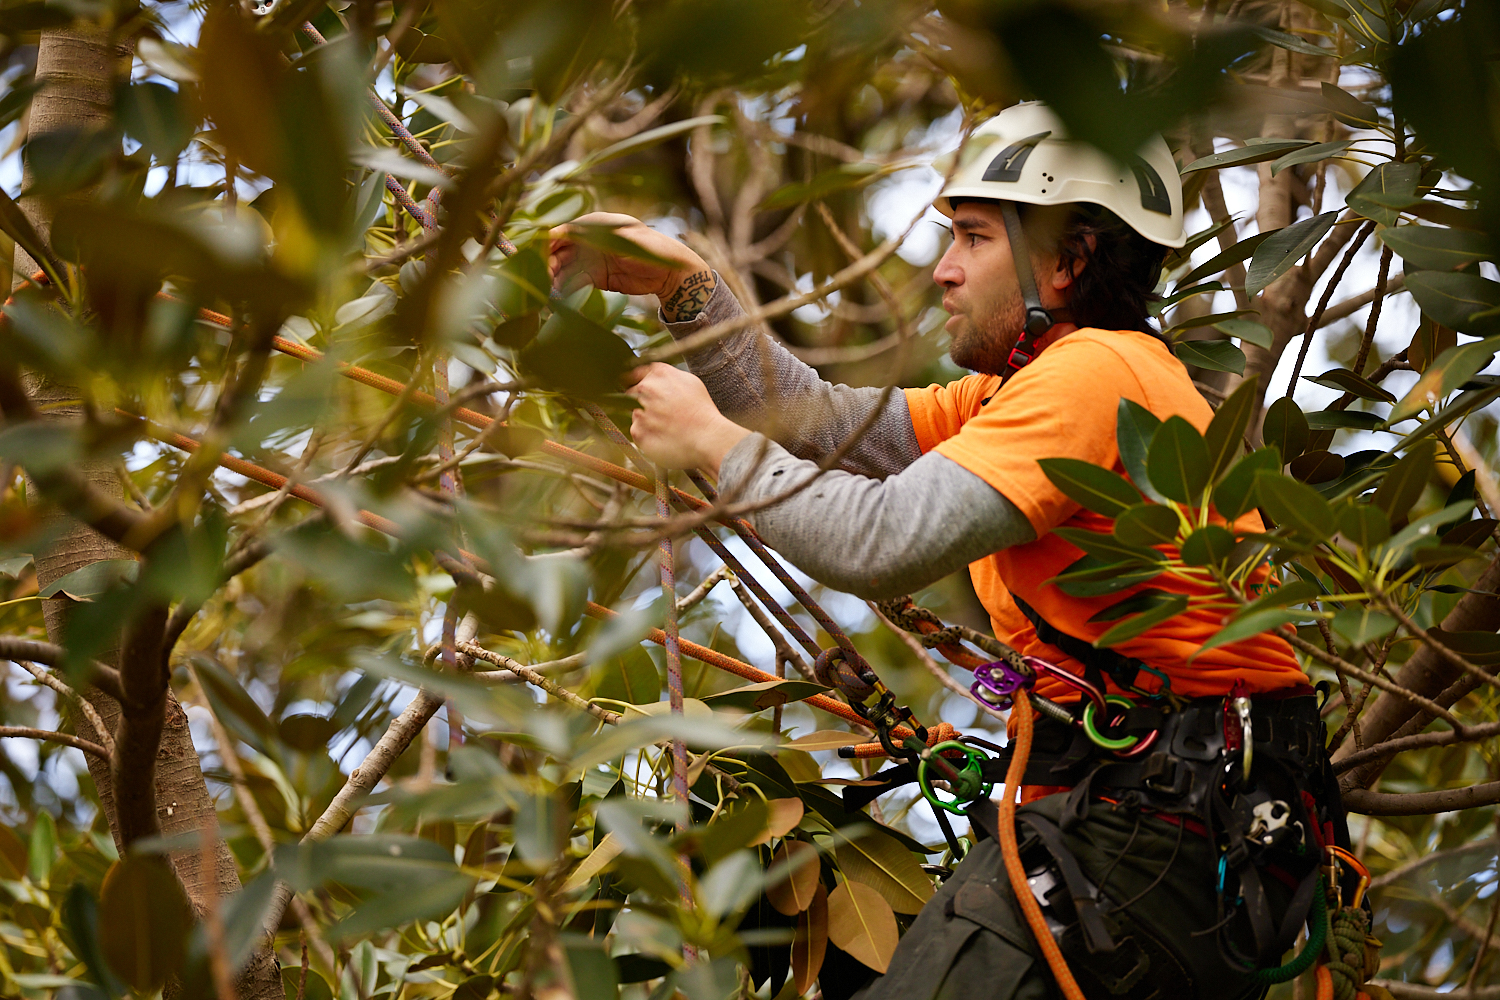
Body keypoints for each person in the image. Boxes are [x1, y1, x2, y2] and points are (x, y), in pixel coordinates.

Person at [550, 102, 1347, 1000]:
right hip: (1156, 838)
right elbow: (820, 421)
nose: (943, 269)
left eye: (973, 237)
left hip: (1157, 833)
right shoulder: (1031, 388)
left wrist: (712, 449)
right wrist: (687, 290)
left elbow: (878, 538)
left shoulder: (1091, 376)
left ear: (1066, 258)